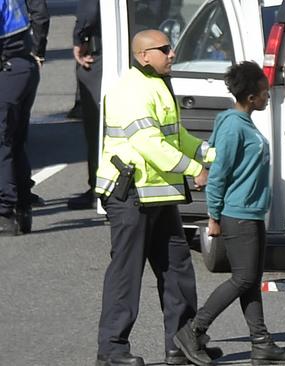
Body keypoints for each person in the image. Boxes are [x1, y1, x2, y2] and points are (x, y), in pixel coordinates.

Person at [94, 29, 218, 366]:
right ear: (143, 55)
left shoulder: (157, 85)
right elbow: (148, 143)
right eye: (164, 49)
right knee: (126, 274)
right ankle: (112, 350)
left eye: (171, 47)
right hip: (131, 196)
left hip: (158, 196)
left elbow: (176, 137)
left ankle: (181, 343)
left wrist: (212, 154)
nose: (172, 53)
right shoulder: (132, 90)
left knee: (178, 271)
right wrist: (194, 169)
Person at [173, 61, 285, 366]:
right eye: (264, 92)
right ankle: (193, 330)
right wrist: (213, 216)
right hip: (236, 214)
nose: (268, 97)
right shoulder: (232, 125)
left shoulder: (242, 121)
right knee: (242, 279)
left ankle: (261, 342)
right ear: (252, 97)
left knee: (251, 280)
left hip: (252, 213)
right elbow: (218, 174)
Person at [0, 0, 49, 236]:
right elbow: (40, 14)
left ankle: (4, 212)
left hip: (7, 69)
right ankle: (22, 206)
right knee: (16, 141)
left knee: (3, 144)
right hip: (24, 64)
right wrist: (38, 51)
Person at [67, 0, 102, 209]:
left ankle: (99, 187)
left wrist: (78, 39)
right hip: (141, 49)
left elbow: (89, 11)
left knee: (97, 126)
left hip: (102, 55)